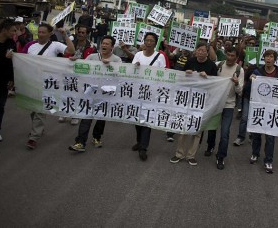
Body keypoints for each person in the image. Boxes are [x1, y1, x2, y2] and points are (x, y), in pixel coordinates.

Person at [25, 23, 75, 150]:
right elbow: (21, 58)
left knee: (40, 110)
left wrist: (65, 36)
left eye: (43, 32)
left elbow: (71, 51)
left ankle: (34, 137)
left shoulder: (55, 45)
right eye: (39, 32)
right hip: (32, 81)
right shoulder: (30, 46)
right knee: (33, 108)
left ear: (50, 34)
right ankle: (37, 130)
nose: (40, 34)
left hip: (48, 83)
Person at [68, 35, 122, 152]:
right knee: (86, 116)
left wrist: (110, 66)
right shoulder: (92, 57)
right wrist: (75, 61)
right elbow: (81, 67)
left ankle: (97, 137)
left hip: (106, 94)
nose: (104, 45)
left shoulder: (117, 60)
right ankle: (80, 142)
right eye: (103, 43)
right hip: (90, 92)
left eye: (107, 44)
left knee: (101, 117)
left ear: (112, 47)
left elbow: (120, 75)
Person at [170, 42, 218, 166]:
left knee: (197, 129)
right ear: (195, 51)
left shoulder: (212, 66)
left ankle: (191, 155)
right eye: (199, 50)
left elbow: (215, 83)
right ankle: (179, 154)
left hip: (202, 100)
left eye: (203, 50)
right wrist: (187, 73)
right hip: (188, 98)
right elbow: (182, 79)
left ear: (207, 52)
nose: (201, 52)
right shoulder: (190, 62)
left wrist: (206, 77)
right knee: (183, 127)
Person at [249, 49, 278, 174]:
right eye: (267, 56)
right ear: (264, 58)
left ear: (274, 59)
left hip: (273, 109)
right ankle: (255, 153)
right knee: (256, 133)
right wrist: (251, 80)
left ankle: (268, 160)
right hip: (259, 107)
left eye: (271, 56)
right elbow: (248, 90)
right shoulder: (257, 71)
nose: (269, 59)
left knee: (270, 136)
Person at [205, 47, 244, 170]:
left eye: (233, 56)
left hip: (229, 104)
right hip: (216, 102)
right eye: (228, 55)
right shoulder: (218, 65)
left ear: (236, 57)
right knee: (212, 128)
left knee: (225, 132)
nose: (230, 58)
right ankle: (210, 146)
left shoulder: (239, 70)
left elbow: (240, 91)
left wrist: (236, 83)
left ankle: (220, 156)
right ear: (226, 55)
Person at [131, 32, 168, 161]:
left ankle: (143, 148)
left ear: (155, 42)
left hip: (152, 93)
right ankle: (139, 141)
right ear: (144, 41)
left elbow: (163, 73)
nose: (149, 42)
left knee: (147, 119)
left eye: (152, 40)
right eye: (147, 40)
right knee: (137, 119)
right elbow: (131, 71)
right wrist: (136, 67)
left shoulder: (160, 57)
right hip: (138, 91)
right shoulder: (138, 55)